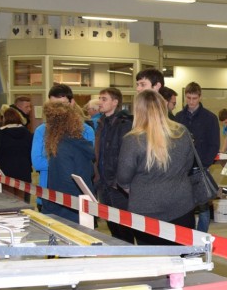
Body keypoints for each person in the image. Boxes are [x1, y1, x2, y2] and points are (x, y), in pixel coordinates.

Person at [117, 90, 197, 244]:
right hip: (182, 205)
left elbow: (123, 177)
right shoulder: (182, 131)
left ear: (138, 111)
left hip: (146, 211)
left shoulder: (133, 139)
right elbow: (188, 165)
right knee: (181, 260)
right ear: (164, 106)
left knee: (152, 261)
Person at [174, 82, 219, 233]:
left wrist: (205, 164)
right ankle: (188, 236)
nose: (191, 102)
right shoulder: (178, 117)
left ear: (200, 97)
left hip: (200, 167)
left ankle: (201, 237)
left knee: (203, 205)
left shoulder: (210, 118)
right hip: (182, 169)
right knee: (184, 206)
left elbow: (214, 144)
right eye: (188, 98)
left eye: (194, 98)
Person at [31, 84, 95, 192]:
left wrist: (58, 162)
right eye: (53, 105)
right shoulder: (41, 131)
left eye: (62, 105)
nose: (57, 110)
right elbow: (37, 162)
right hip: (48, 190)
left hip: (77, 191)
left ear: (72, 103)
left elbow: (89, 161)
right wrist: (67, 163)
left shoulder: (86, 130)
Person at [39, 101, 95, 222]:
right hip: (79, 206)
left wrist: (49, 205)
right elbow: (90, 172)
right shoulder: (77, 142)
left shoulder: (61, 146)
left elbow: (65, 181)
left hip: (66, 209)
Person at [95, 87, 134, 244]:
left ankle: (130, 261)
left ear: (115, 102)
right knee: (112, 227)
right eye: (100, 98)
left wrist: (119, 181)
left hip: (118, 186)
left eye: (104, 99)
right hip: (103, 184)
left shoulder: (125, 124)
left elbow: (126, 155)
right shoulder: (101, 123)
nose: (100, 102)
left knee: (125, 229)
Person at [0, 107, 33, 185]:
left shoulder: (0, 133)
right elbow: (31, 152)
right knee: (22, 196)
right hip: (24, 171)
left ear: (4, 119)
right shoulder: (27, 133)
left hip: (5, 172)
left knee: (7, 196)